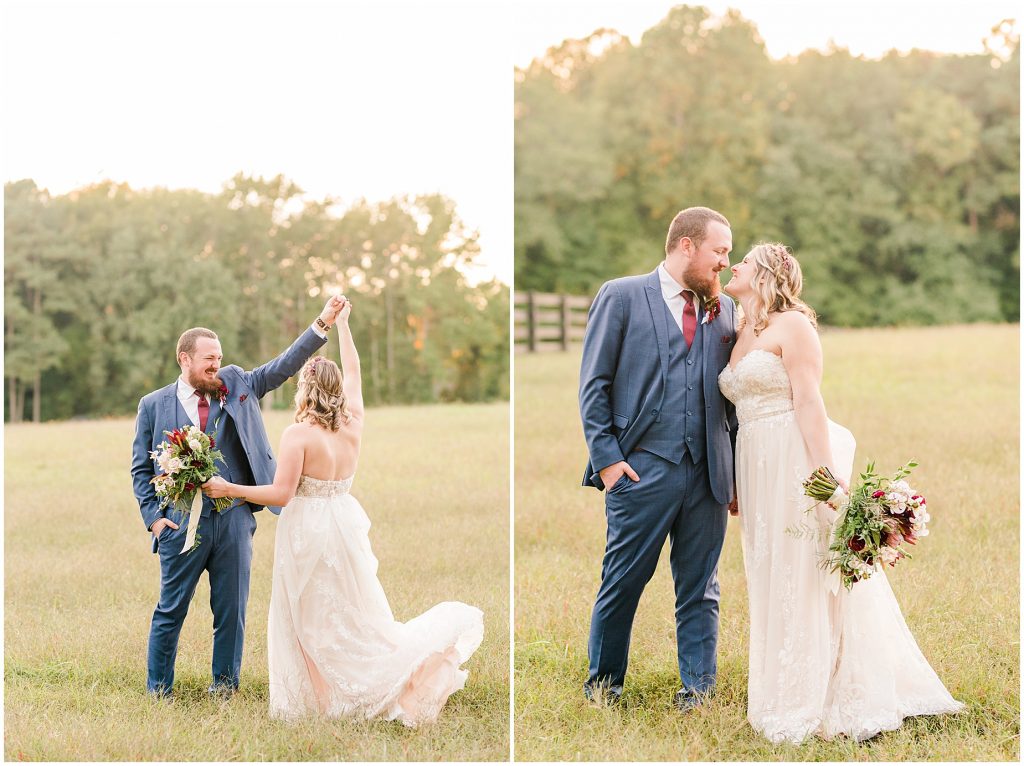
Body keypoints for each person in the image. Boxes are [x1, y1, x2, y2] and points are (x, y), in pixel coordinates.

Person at [718, 242, 964, 742]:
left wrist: (826, 477)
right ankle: (779, 684)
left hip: (792, 458)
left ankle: (820, 691)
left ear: (764, 274)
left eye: (742, 260)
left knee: (804, 570)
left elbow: (809, 402)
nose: (733, 265)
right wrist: (736, 480)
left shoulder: (795, 327)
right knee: (769, 570)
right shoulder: (741, 328)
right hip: (755, 462)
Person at [202, 293, 483, 726]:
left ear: (306, 388)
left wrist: (229, 487)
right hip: (343, 524)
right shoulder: (353, 421)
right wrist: (345, 326)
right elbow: (354, 371)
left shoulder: (299, 435)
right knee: (353, 612)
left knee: (308, 619)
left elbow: (280, 495)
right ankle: (339, 692)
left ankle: (325, 703)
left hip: (307, 532)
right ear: (336, 391)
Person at [131, 295, 343, 697]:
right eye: (208, 358)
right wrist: (155, 520)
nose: (216, 364)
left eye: (219, 356)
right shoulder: (153, 405)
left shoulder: (238, 384)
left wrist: (322, 323)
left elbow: (282, 366)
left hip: (234, 521)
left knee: (231, 613)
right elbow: (141, 469)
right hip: (180, 525)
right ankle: (158, 691)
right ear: (184, 359)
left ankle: (224, 689)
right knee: (169, 611)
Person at [578, 206, 738, 709]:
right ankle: (604, 687)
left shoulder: (725, 309)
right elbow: (594, 384)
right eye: (719, 252)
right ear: (686, 246)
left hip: (708, 472)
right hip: (641, 469)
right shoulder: (621, 295)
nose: (725, 264)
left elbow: (730, 398)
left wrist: (731, 471)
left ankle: (699, 690)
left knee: (701, 588)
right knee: (623, 582)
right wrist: (607, 460)